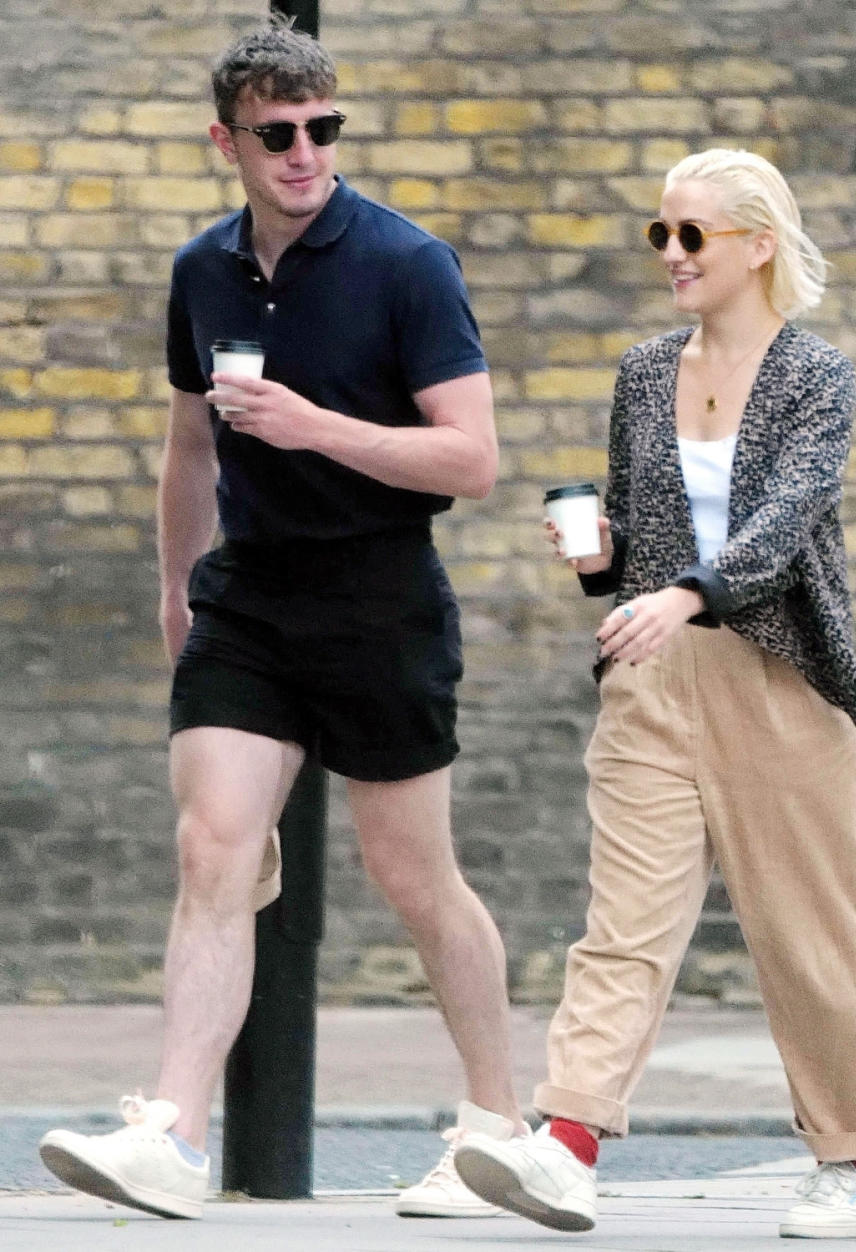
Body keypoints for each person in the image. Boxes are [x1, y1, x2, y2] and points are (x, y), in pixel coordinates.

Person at [38, 18, 526, 1221]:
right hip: (248, 599)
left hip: (379, 595)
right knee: (213, 849)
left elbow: (471, 461)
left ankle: (496, 1126)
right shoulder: (202, 272)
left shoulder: (409, 264)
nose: (304, 153)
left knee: (413, 876)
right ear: (229, 142)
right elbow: (189, 442)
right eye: (277, 134)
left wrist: (318, 428)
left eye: (322, 129)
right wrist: (174, 586)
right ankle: (172, 1133)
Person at [453, 148, 856, 1240]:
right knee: (623, 927)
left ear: (757, 245)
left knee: (806, 934)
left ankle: (846, 1161)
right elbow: (632, 547)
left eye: (692, 234)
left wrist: (689, 595)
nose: (671, 254)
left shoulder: (815, 377)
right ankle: (569, 1142)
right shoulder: (645, 371)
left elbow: (786, 524)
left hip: (780, 676)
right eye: (661, 232)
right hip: (652, 675)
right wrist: (601, 562)